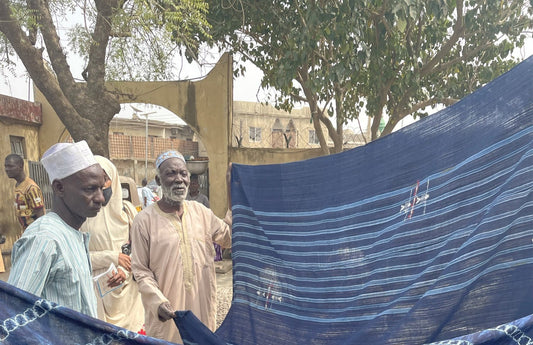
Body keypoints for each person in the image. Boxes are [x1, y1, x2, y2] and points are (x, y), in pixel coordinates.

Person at [131, 150, 232, 343]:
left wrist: (232, 196)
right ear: (159, 180)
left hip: (202, 313)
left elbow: (229, 238)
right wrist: (157, 302)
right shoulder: (144, 221)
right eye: (171, 173)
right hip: (168, 317)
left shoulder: (201, 212)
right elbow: (141, 271)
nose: (179, 179)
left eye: (183, 173)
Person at [7, 140, 110, 318]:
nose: (100, 198)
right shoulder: (44, 239)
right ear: (59, 188)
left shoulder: (73, 234)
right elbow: (13, 317)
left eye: (101, 188)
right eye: (90, 189)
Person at [80, 156, 145, 331]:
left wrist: (124, 269)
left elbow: (140, 248)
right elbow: (76, 256)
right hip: (96, 294)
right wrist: (111, 257)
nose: (101, 184)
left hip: (129, 295)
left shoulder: (128, 211)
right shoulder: (81, 216)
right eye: (95, 180)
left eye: (105, 178)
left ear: (113, 179)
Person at [186, 174, 223, 261]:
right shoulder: (185, 198)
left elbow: (208, 214)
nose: (192, 186)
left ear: (198, 185)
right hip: (188, 226)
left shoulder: (203, 199)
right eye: (191, 184)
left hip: (200, 227)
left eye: (194, 184)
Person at [4, 153, 46, 230]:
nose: (7, 169)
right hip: (26, 231)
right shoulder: (18, 185)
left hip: (34, 232)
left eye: (10, 166)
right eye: (6, 166)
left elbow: (40, 213)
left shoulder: (31, 187)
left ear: (20, 166)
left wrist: (39, 234)